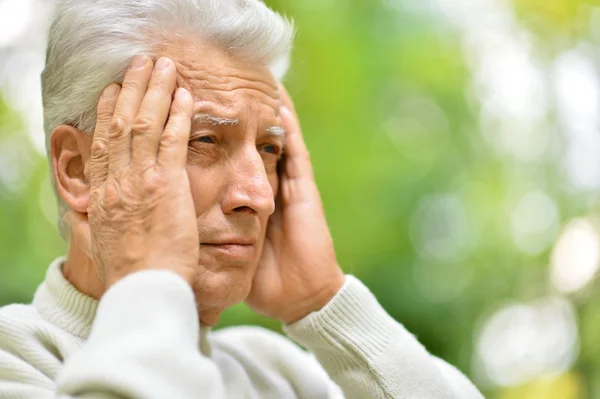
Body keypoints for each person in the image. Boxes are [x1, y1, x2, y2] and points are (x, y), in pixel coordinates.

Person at [0, 0, 484, 398]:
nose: (260, 196)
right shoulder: (15, 360)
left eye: (271, 149)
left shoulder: (279, 376)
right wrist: (149, 279)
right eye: (204, 140)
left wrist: (325, 301)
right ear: (79, 169)